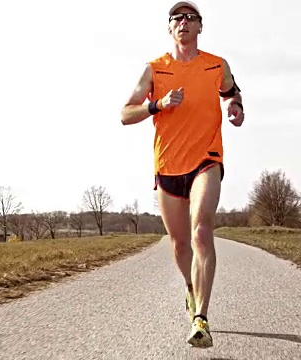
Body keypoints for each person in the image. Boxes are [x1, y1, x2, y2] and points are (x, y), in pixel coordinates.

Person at [120, 0, 244, 348]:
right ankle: (191, 290)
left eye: (191, 18)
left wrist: (235, 107)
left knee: (202, 231)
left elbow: (232, 93)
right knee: (179, 243)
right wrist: (156, 104)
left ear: (200, 27)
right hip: (168, 167)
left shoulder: (216, 65)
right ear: (170, 27)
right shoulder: (154, 70)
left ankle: (201, 318)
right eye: (178, 18)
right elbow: (125, 113)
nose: (184, 22)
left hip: (207, 159)